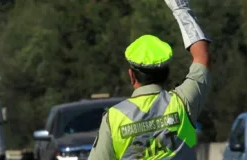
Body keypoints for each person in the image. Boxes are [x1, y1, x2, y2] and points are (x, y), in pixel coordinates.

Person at [88, 0, 212, 159]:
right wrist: (181, 9)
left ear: (131, 76)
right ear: (167, 73)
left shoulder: (113, 119)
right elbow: (203, 56)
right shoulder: (182, 103)